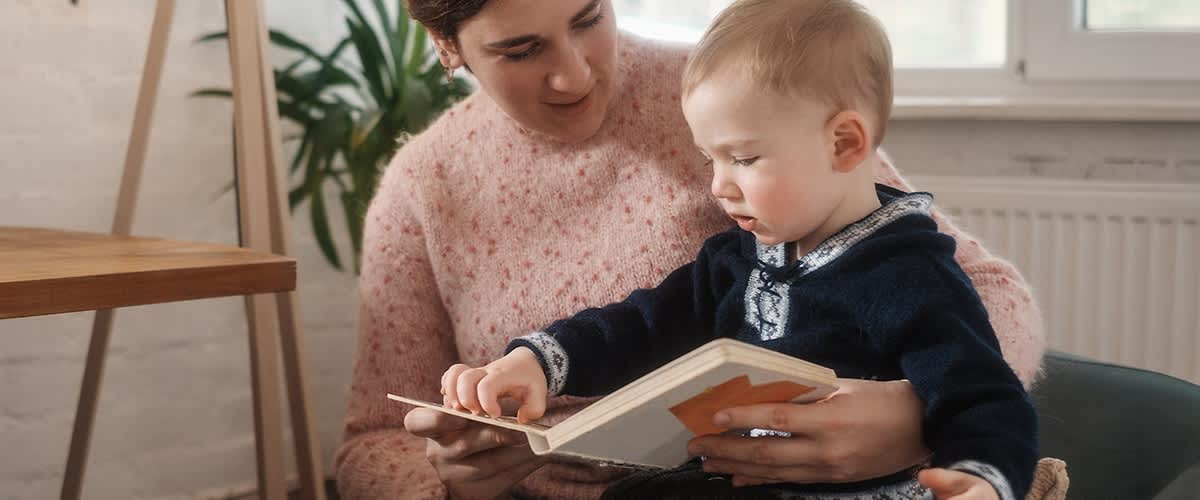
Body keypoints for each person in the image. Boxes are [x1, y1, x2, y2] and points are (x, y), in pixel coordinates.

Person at [334, 0, 1046, 498]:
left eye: (590, 18)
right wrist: (460, 472)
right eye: (521, 49)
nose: (576, 74)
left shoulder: (744, 90)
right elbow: (373, 440)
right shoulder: (423, 185)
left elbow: (988, 302)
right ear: (449, 46)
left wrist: (913, 414)